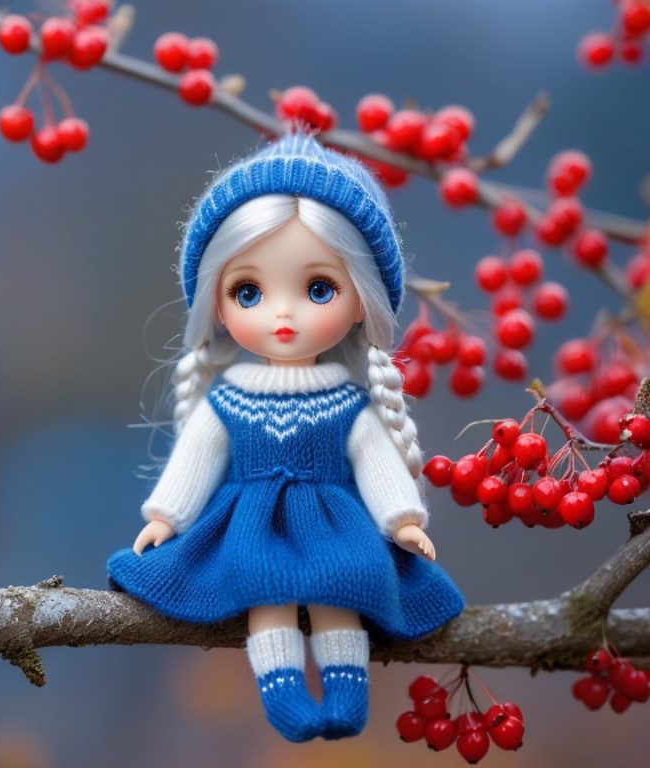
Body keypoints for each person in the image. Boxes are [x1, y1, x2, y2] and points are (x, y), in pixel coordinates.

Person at [106, 133, 464, 743]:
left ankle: (346, 687)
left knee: (342, 587)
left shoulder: (349, 402)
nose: (282, 314)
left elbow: (374, 459)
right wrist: (167, 515)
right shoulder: (228, 398)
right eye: (249, 292)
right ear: (220, 306)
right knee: (264, 594)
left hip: (335, 523)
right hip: (248, 522)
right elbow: (197, 457)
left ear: (361, 302)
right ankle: (283, 691)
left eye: (318, 289)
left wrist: (403, 519)